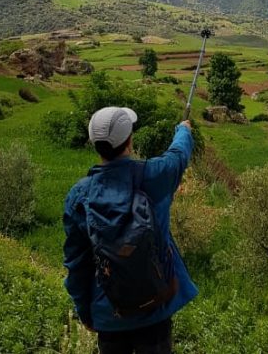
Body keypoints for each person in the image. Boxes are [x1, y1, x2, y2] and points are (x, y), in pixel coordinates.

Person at [63, 106, 197, 354]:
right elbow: (178, 155)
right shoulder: (155, 175)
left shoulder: (79, 196)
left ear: (95, 145)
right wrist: (184, 130)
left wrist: (86, 312)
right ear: (130, 141)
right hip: (156, 306)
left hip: (108, 311)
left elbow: (76, 262)